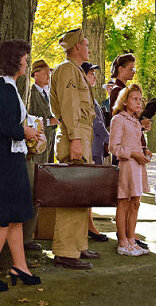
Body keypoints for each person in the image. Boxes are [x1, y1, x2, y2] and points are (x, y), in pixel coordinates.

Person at [0, 39, 42, 293]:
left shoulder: (9, 87)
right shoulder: (2, 88)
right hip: (3, 159)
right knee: (2, 219)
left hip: (11, 158)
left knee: (15, 217)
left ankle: (20, 267)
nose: (27, 60)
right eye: (24, 57)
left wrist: (27, 131)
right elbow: (6, 128)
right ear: (14, 60)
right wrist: (27, 131)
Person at [49, 28, 101, 270]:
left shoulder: (75, 71)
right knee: (71, 195)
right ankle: (65, 251)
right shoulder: (68, 69)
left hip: (81, 135)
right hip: (75, 137)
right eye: (86, 44)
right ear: (78, 46)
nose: (88, 48)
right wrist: (76, 140)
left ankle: (78, 245)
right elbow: (69, 108)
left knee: (81, 194)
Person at [109, 83, 150, 256]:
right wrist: (133, 153)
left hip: (138, 167)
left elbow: (136, 143)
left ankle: (132, 239)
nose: (138, 102)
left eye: (140, 99)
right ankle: (122, 242)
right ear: (125, 101)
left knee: (135, 203)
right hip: (127, 167)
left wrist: (144, 151)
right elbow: (114, 147)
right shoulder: (118, 120)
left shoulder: (135, 121)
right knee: (124, 203)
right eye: (134, 99)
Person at [21, 59, 56, 251]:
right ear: (36, 74)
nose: (49, 75)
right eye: (45, 72)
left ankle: (33, 234)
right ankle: (26, 238)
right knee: (33, 190)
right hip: (35, 151)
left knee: (40, 191)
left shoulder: (49, 94)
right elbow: (31, 118)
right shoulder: (31, 93)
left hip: (47, 150)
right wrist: (49, 122)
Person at [80, 62, 110, 243]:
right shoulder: (85, 95)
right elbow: (96, 123)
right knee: (88, 191)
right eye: (92, 73)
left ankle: (89, 226)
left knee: (90, 190)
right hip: (92, 148)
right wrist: (110, 138)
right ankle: (89, 227)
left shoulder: (89, 95)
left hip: (95, 148)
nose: (95, 77)